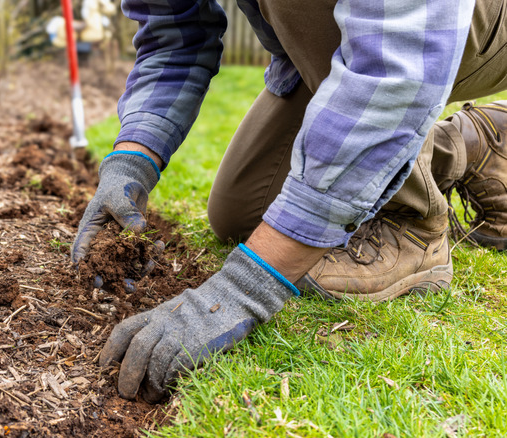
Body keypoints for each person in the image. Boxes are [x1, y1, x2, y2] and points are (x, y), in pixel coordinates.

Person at [71, 0, 507, 403]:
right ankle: (466, 143)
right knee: (241, 214)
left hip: (449, 27)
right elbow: (175, 35)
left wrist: (243, 288)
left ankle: (410, 222)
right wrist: (131, 161)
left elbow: (400, 63)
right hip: (349, 45)